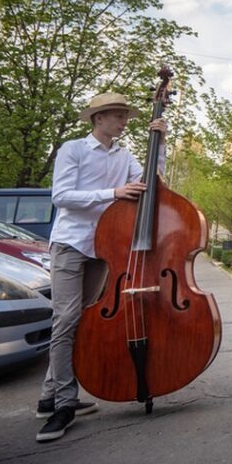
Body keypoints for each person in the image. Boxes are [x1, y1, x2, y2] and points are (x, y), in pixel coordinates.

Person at [36, 92, 167, 442]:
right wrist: (112, 193)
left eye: (125, 115)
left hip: (102, 246)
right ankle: (64, 403)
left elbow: (154, 184)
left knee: (85, 320)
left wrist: (161, 142)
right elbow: (61, 196)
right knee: (66, 319)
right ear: (98, 118)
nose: (124, 121)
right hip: (69, 243)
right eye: (118, 115)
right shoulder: (73, 150)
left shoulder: (123, 155)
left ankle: (50, 395)